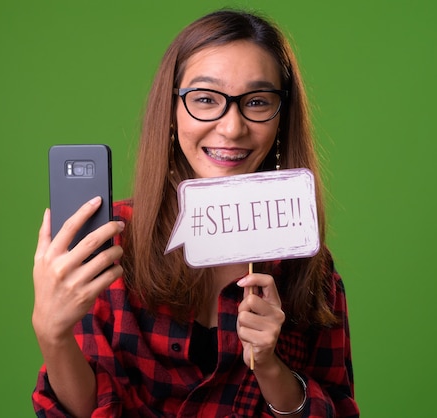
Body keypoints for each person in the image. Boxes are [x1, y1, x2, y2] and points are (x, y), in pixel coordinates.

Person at [31, 9, 359, 418]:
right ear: (171, 111)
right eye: (206, 99)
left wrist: (271, 366)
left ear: (282, 117)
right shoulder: (112, 242)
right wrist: (53, 333)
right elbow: (88, 409)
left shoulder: (306, 263)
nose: (232, 128)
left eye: (257, 102)